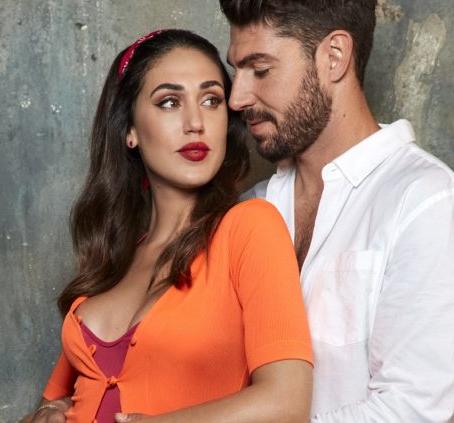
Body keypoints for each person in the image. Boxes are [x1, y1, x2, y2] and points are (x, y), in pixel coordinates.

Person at [213, 0, 454, 423]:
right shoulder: (249, 207)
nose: (237, 98)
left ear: (334, 56)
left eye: (261, 69)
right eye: (238, 71)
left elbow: (413, 411)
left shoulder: (425, 202)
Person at [21, 29, 313, 423]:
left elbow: (287, 403)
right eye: (170, 102)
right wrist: (47, 412)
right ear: (130, 130)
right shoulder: (114, 255)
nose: (196, 123)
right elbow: (49, 404)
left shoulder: (249, 229)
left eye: (211, 100)